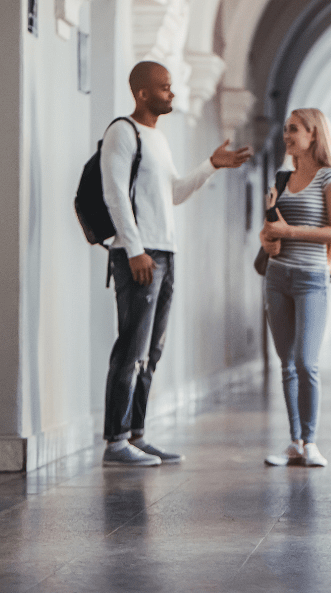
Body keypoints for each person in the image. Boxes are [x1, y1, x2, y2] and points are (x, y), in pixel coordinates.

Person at [100, 61, 252, 467]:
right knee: (131, 346)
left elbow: (175, 193)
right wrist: (134, 249)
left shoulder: (158, 140)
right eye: (165, 88)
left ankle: (136, 434)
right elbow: (114, 195)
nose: (172, 93)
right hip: (139, 253)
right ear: (142, 93)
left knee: (152, 350)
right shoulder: (122, 132)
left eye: (171, 86)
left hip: (164, 251)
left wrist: (211, 166)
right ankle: (115, 441)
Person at [260, 109, 331, 468]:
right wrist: (268, 240)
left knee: (306, 362)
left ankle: (311, 442)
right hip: (277, 277)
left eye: (294, 129)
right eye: (285, 129)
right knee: (286, 364)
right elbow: (268, 230)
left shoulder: (329, 178)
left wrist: (289, 232)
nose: (287, 135)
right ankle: (294, 442)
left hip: (311, 277)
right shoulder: (281, 176)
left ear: (314, 134)